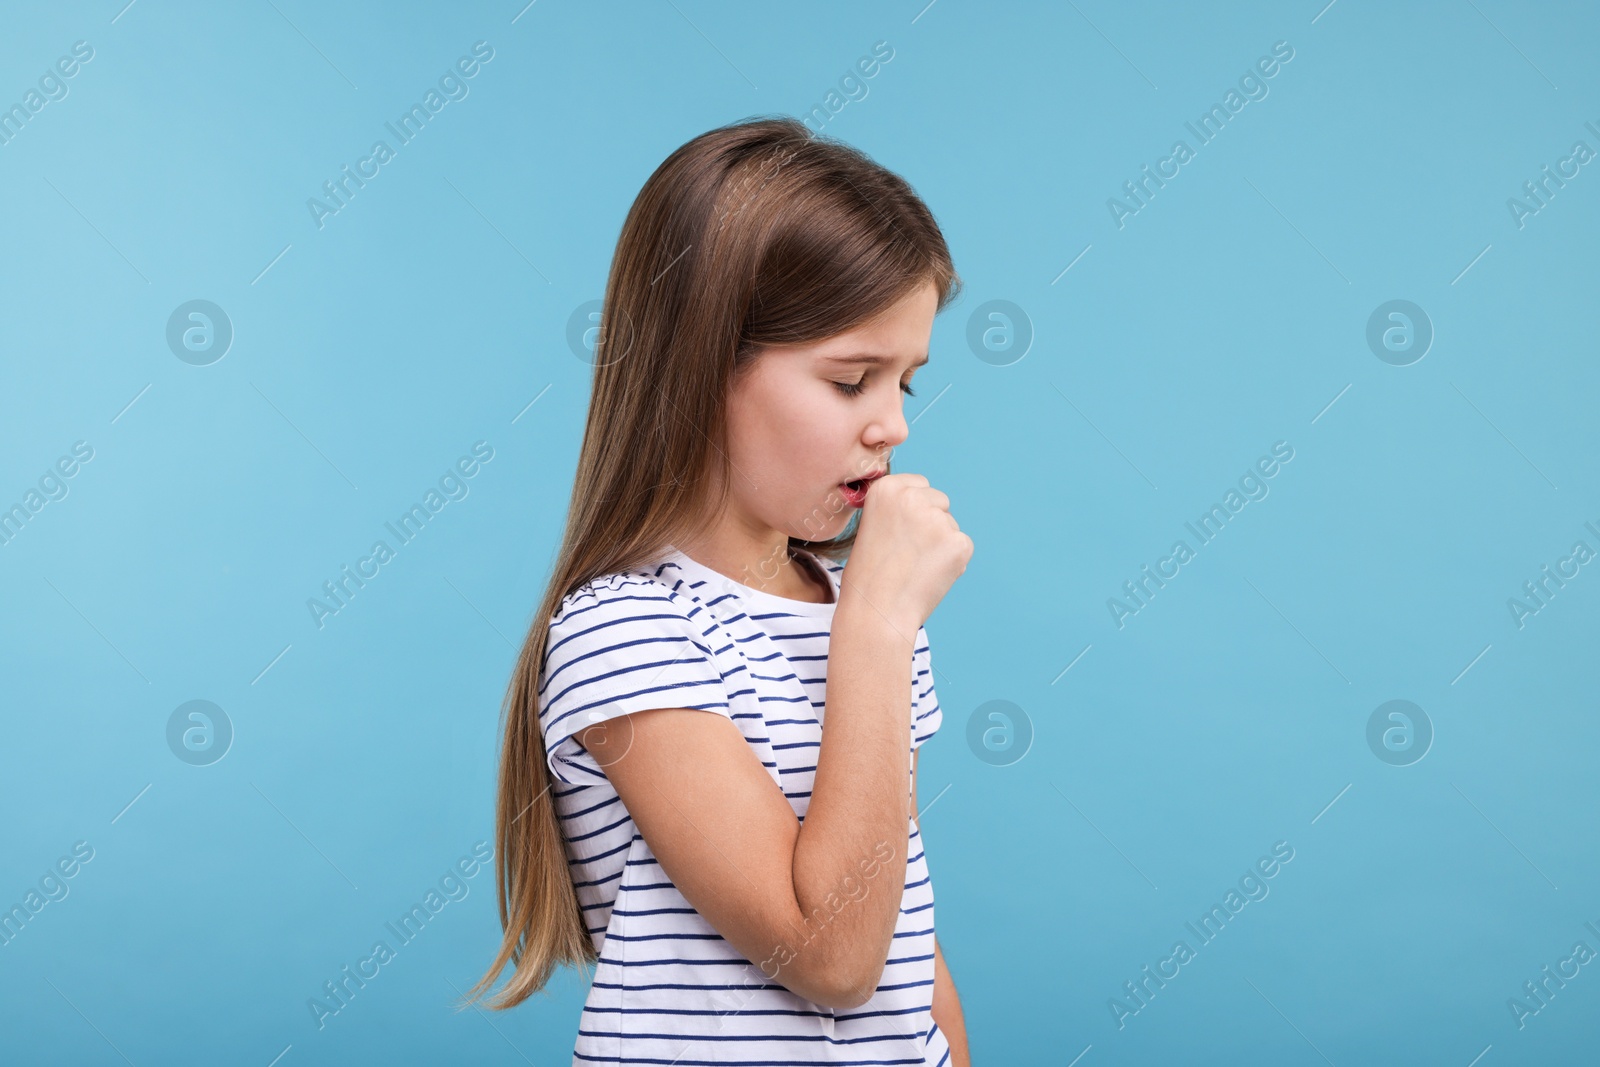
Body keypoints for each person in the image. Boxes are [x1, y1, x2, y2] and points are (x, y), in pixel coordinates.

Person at [461, 115, 974, 1066]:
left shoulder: (854, 609)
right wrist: (876, 632)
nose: (893, 426)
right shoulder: (626, 630)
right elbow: (826, 953)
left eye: (908, 383)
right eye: (853, 379)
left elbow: (896, 919)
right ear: (702, 368)